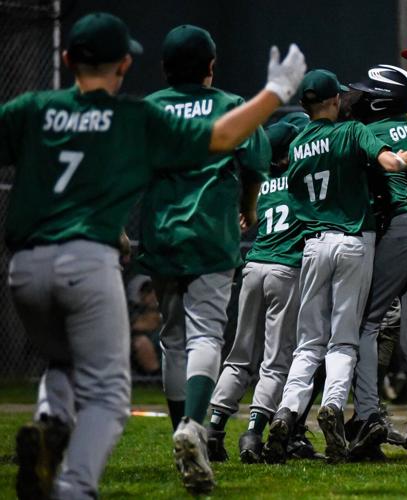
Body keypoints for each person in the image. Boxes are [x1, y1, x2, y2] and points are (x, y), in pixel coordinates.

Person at [1, 11, 306, 499]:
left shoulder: (39, 107)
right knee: (124, 382)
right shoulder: (136, 118)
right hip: (152, 246)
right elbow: (229, 141)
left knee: (131, 345)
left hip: (34, 263)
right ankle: (101, 473)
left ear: (66, 58)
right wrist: (274, 94)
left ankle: (52, 419)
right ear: (124, 63)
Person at [136, 24, 277, 493]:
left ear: (164, 67)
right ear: (211, 67)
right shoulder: (230, 104)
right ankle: (194, 427)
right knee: (206, 333)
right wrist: (249, 207)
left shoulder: (148, 110)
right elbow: (255, 163)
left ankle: (183, 429)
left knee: (173, 336)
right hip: (211, 233)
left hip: (160, 233)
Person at [262, 69, 407, 464]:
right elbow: (389, 163)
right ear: (333, 100)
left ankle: (287, 411)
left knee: (309, 342)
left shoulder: (296, 145)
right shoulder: (352, 132)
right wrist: (404, 158)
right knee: (344, 339)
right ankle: (332, 405)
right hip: (352, 242)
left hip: (314, 245)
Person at [205, 112, 318, 464]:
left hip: (253, 266)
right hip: (286, 270)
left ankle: (213, 427)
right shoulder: (303, 180)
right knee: (274, 362)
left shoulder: (263, 181)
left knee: (238, 357)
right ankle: (254, 432)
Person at [344, 64, 407, 460]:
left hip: (397, 230)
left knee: (365, 323)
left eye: (366, 93)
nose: (359, 98)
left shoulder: (372, 132)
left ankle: (366, 414)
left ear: (382, 100)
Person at [126, 274, 162, 375]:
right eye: (148, 292)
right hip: (145, 370)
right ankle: (156, 377)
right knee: (141, 342)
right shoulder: (132, 320)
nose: (153, 295)